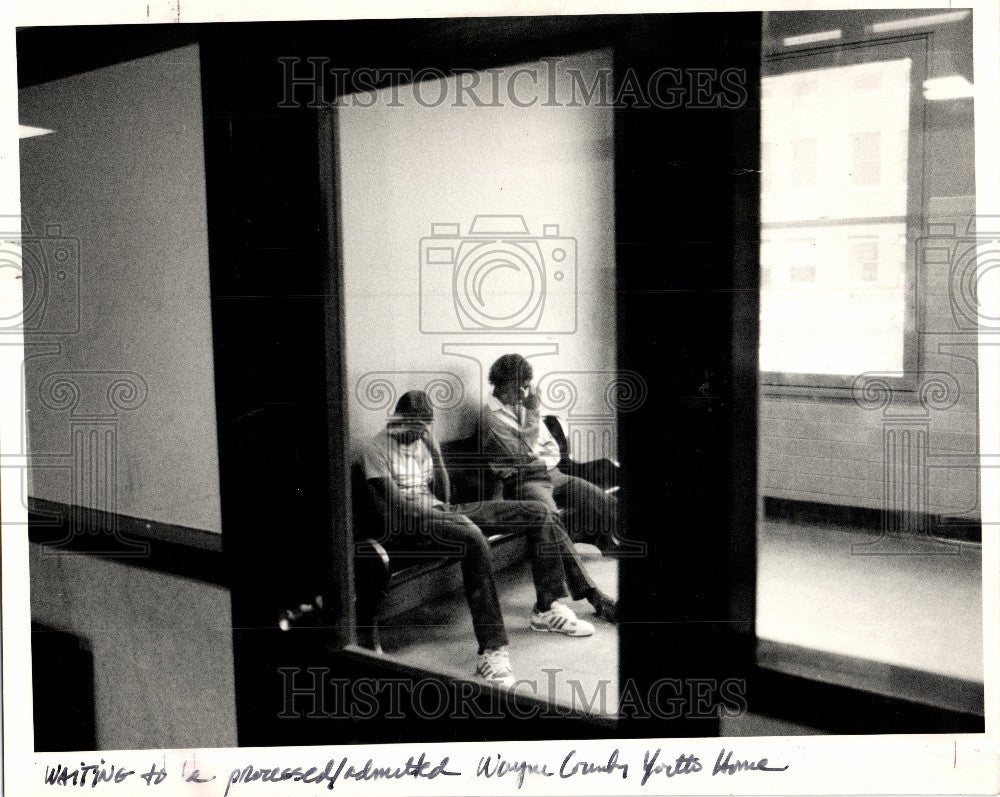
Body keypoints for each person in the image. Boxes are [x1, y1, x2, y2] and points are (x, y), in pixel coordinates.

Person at [361, 389, 616, 688]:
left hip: (443, 512)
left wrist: (435, 452)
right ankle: (491, 650)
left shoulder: (420, 443)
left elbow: (443, 497)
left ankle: (546, 608)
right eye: (414, 428)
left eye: (424, 429)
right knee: (473, 538)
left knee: (538, 512)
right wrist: (451, 517)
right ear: (398, 419)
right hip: (411, 525)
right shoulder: (375, 448)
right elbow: (399, 508)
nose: (418, 435)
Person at [481, 353, 620, 553]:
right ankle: (570, 573)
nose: (524, 392)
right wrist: (533, 414)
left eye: (527, 386)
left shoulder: (521, 407)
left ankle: (610, 540)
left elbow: (551, 446)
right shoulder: (491, 418)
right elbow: (522, 456)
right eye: (520, 386)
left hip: (552, 473)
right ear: (503, 383)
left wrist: (539, 459)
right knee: (552, 521)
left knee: (601, 499)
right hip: (523, 482)